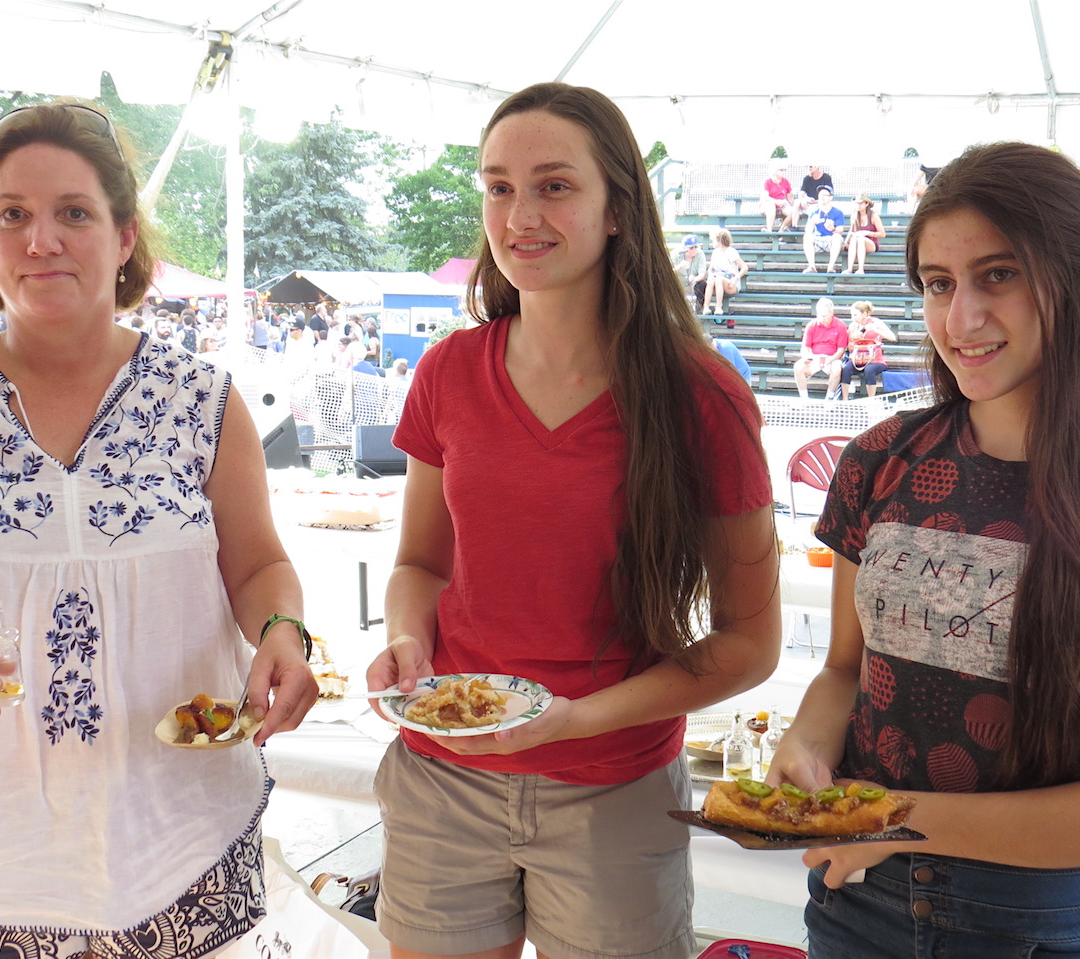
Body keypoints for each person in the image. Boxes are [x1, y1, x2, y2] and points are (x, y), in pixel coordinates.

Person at [0, 100, 319, 959]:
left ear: (125, 238)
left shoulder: (202, 402)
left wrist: (283, 632)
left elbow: (259, 567)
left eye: (74, 214)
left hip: (182, 835)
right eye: (13, 214)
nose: (40, 240)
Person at [773, 141, 1080, 958]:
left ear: (1077, 281)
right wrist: (807, 744)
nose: (960, 319)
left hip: (1046, 923)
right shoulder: (879, 460)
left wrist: (896, 818)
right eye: (938, 283)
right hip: (859, 902)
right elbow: (846, 670)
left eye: (998, 275)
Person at [365, 81, 780, 959]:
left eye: (554, 186)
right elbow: (420, 566)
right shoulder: (448, 371)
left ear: (618, 208)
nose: (521, 215)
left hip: (613, 794)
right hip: (444, 778)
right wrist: (406, 639)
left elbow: (749, 644)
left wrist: (576, 720)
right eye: (499, 187)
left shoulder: (702, 395)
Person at [837, 300, 896, 398]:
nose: (853, 318)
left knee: (869, 370)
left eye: (855, 315)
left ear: (864, 314)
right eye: (852, 315)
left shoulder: (876, 322)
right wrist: (852, 339)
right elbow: (850, 348)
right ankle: (845, 399)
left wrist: (876, 330)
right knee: (846, 369)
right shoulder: (853, 326)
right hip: (858, 359)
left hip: (875, 360)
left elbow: (893, 337)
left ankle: (871, 399)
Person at [792, 297, 849, 398]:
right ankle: (804, 397)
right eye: (819, 315)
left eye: (824, 316)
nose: (821, 318)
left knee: (836, 368)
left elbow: (841, 350)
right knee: (798, 366)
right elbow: (805, 347)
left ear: (831, 313)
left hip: (832, 357)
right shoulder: (812, 325)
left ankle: (829, 397)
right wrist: (806, 357)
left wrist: (831, 359)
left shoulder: (841, 326)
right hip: (814, 357)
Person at [700, 228, 748, 317]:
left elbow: (744, 267)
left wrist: (735, 278)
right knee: (711, 281)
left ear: (719, 240)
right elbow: (710, 268)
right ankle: (706, 307)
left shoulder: (731, 252)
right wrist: (710, 274)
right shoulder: (715, 252)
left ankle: (719, 307)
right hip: (717, 278)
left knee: (719, 279)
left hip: (730, 281)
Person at [802, 186, 847, 274]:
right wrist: (812, 223)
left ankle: (831, 267)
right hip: (818, 240)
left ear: (831, 197)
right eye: (820, 195)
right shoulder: (814, 212)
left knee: (837, 237)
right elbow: (807, 230)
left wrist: (833, 229)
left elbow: (840, 230)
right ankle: (811, 267)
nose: (822, 197)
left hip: (831, 241)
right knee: (807, 237)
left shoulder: (837, 212)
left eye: (825, 195)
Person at [840, 194, 885, 275]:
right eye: (857, 203)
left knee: (860, 238)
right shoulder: (854, 216)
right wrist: (846, 242)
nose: (858, 205)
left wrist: (867, 233)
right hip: (857, 241)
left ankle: (860, 269)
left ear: (866, 204)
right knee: (854, 238)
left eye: (860, 203)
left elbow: (882, 234)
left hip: (871, 243)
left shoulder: (873, 216)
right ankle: (849, 269)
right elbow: (852, 231)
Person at [673, 233, 708, 312]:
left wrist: (695, 278)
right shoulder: (675, 254)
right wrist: (679, 266)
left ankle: (699, 309)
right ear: (684, 248)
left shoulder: (700, 254)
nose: (694, 250)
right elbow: (669, 273)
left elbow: (702, 274)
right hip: (678, 283)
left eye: (696, 247)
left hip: (693, 284)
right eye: (691, 248)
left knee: (702, 284)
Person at [761, 160, 795, 233]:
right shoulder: (768, 181)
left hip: (782, 204)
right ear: (775, 170)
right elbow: (765, 197)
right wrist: (775, 202)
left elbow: (790, 198)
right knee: (771, 205)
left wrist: (796, 207)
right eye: (781, 170)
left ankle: (781, 231)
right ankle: (769, 231)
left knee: (793, 212)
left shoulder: (786, 181)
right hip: (770, 204)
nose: (783, 172)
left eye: (784, 170)